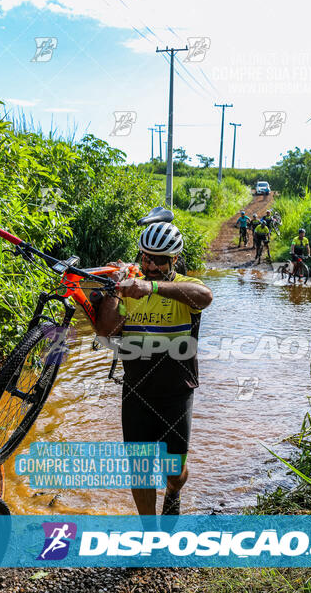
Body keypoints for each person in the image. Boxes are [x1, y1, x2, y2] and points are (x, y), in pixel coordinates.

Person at [95, 222, 213, 517]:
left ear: (174, 260)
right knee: (140, 470)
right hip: (136, 390)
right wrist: (116, 290)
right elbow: (106, 330)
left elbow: (205, 297)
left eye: (159, 259)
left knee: (174, 471)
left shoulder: (186, 288)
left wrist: (152, 287)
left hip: (176, 392)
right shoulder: (129, 289)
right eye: (145, 257)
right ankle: (149, 534)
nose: (150, 264)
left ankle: (174, 491)